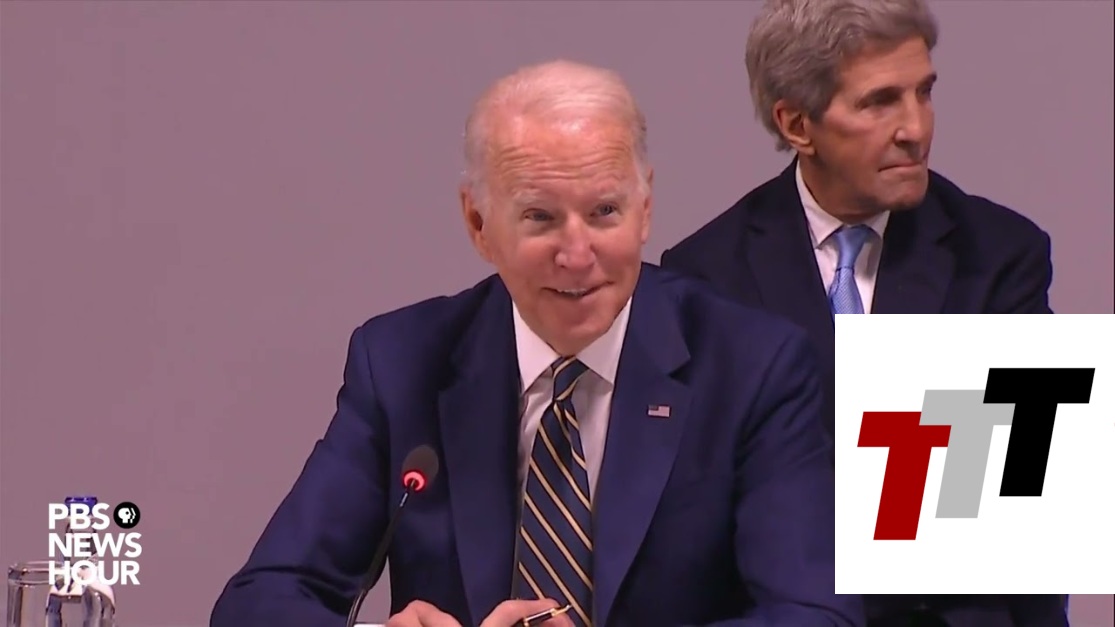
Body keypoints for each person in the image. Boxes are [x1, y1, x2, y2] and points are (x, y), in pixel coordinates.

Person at [211, 59, 862, 627]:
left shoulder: (751, 365)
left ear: (644, 211)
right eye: (540, 217)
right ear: (478, 223)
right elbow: (258, 602)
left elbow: (815, 614)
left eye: (604, 212)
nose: (576, 255)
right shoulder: (402, 362)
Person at [658, 1, 1063, 626]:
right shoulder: (707, 274)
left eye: (924, 93)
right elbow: (711, 520)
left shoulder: (999, 256)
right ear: (797, 124)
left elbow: (1016, 512)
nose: (916, 128)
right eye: (880, 102)